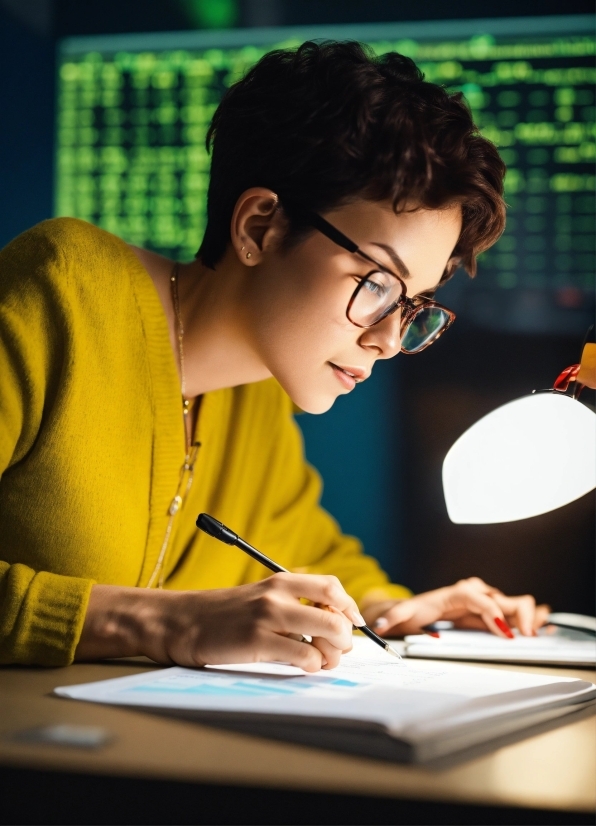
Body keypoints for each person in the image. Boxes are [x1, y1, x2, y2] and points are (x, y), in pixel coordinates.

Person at [0, 42, 549, 672]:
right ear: (261, 226)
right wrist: (158, 622)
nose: (390, 340)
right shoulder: (61, 290)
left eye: (414, 304)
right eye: (377, 284)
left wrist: (398, 612)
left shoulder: (258, 388)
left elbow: (309, 554)